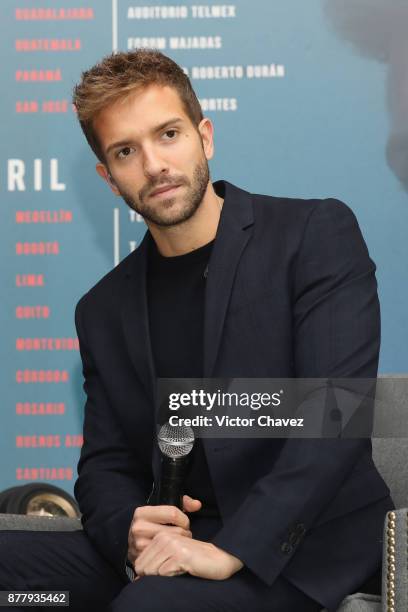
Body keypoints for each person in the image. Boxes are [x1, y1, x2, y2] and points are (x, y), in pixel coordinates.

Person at [0, 49, 394, 612]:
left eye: (168, 134)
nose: (154, 164)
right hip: (169, 552)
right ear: (108, 178)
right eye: (126, 151)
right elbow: (106, 465)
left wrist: (232, 547)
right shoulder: (102, 308)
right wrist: (130, 532)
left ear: (204, 136)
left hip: (297, 550)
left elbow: (335, 416)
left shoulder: (311, 235)